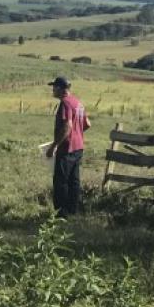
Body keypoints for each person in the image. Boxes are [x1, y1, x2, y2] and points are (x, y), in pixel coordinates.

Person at [48, 76, 90, 216]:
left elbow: (67, 126)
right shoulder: (78, 102)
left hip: (67, 148)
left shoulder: (65, 103)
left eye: (54, 87)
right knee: (74, 181)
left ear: (60, 88)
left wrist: (54, 145)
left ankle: (62, 213)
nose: (52, 89)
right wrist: (77, 134)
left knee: (61, 181)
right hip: (78, 147)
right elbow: (87, 124)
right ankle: (73, 210)